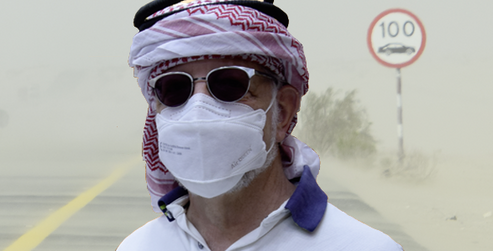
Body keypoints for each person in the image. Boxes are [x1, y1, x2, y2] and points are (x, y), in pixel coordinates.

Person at [117, 1, 402, 250]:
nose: (198, 111)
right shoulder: (138, 246)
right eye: (174, 89)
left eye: (230, 84)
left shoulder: (361, 247)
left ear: (283, 111)